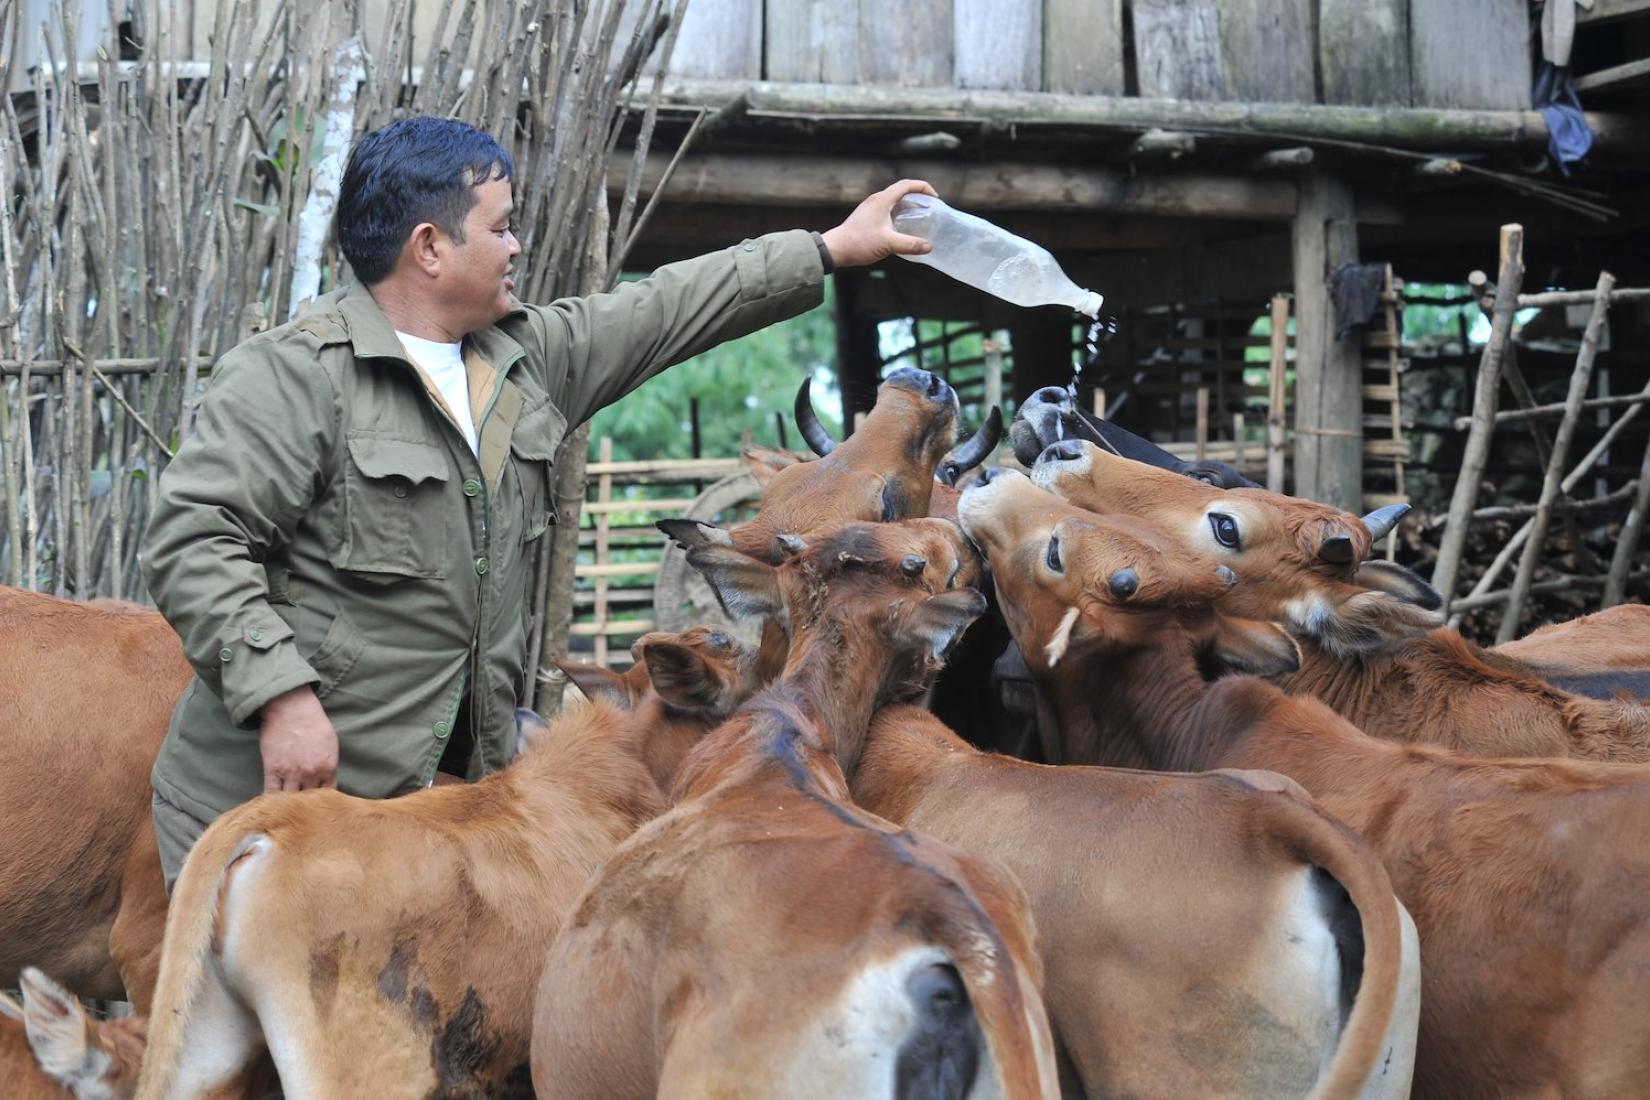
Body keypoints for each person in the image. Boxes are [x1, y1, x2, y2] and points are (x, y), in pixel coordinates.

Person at [141, 116, 934, 891]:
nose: (517, 246)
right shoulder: (294, 377)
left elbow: (668, 306)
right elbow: (193, 541)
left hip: (432, 815)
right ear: (429, 247)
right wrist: (282, 697)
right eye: (502, 227)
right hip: (269, 813)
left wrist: (829, 250)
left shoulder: (524, 360)